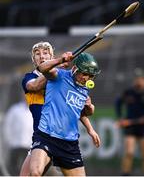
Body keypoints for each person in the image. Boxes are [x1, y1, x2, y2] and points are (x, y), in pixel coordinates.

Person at [21, 42, 100, 176]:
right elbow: (35, 84)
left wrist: (90, 128)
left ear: (51, 55)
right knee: (32, 174)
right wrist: (59, 62)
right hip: (45, 135)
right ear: (33, 58)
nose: (42, 56)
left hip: (67, 141)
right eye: (37, 54)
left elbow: (76, 110)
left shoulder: (79, 84)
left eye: (45, 53)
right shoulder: (36, 77)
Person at [115, 76, 144, 176]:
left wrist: (142, 119)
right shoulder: (129, 92)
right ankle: (125, 173)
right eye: (137, 79)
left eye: (141, 79)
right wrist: (120, 118)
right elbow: (118, 103)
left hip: (143, 129)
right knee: (129, 152)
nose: (139, 82)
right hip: (130, 129)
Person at [3, 100, 33, 176]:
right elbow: (7, 125)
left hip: (29, 145)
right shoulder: (15, 109)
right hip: (15, 144)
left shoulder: (35, 110)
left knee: (26, 168)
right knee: (13, 166)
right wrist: (9, 140)